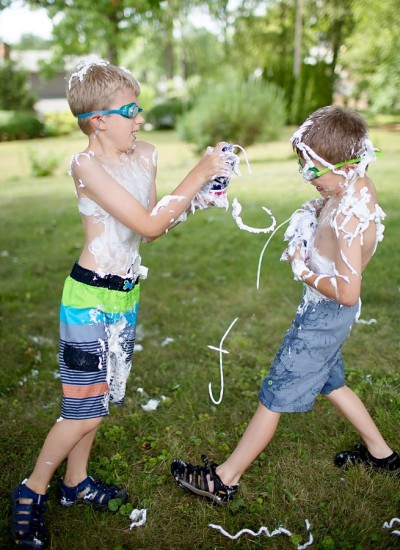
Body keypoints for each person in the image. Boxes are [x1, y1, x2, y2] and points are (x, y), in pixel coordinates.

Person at [11, 58, 232, 548]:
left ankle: (76, 483)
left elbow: (149, 226)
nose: (140, 119)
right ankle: (30, 491)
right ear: (98, 120)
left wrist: (197, 198)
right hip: (88, 296)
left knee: (101, 399)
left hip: (126, 294)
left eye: (139, 108)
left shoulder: (145, 154)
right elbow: (150, 223)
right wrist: (197, 173)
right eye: (130, 110)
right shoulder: (84, 164)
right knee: (83, 411)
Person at [171, 105, 400, 504]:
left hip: (324, 317)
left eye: (313, 170)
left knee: (274, 393)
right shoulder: (354, 186)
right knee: (333, 382)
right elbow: (327, 208)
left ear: (346, 164)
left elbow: (347, 292)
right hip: (327, 316)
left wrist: (302, 269)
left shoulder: (351, 216)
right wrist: (309, 218)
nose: (307, 178)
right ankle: (382, 455)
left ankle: (225, 479)